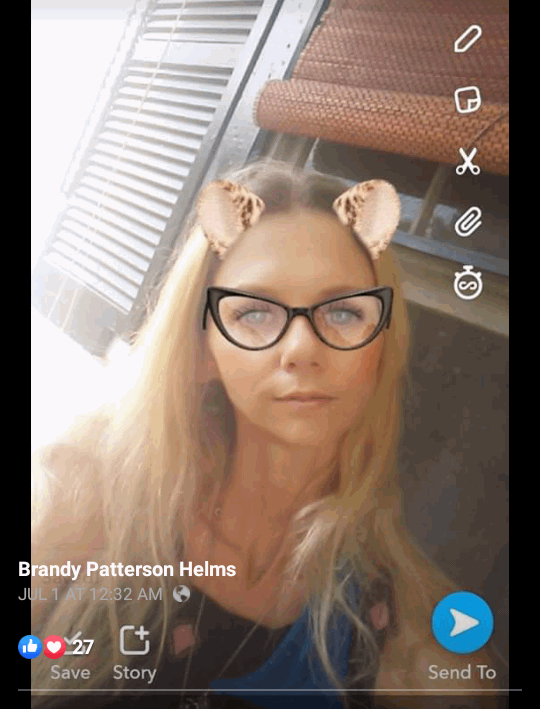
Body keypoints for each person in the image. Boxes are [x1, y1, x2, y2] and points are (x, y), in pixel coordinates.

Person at [30, 161, 506, 709]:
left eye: (344, 313)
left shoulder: (412, 631)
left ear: (381, 348)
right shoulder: (76, 499)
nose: (302, 348)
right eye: (254, 312)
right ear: (202, 350)